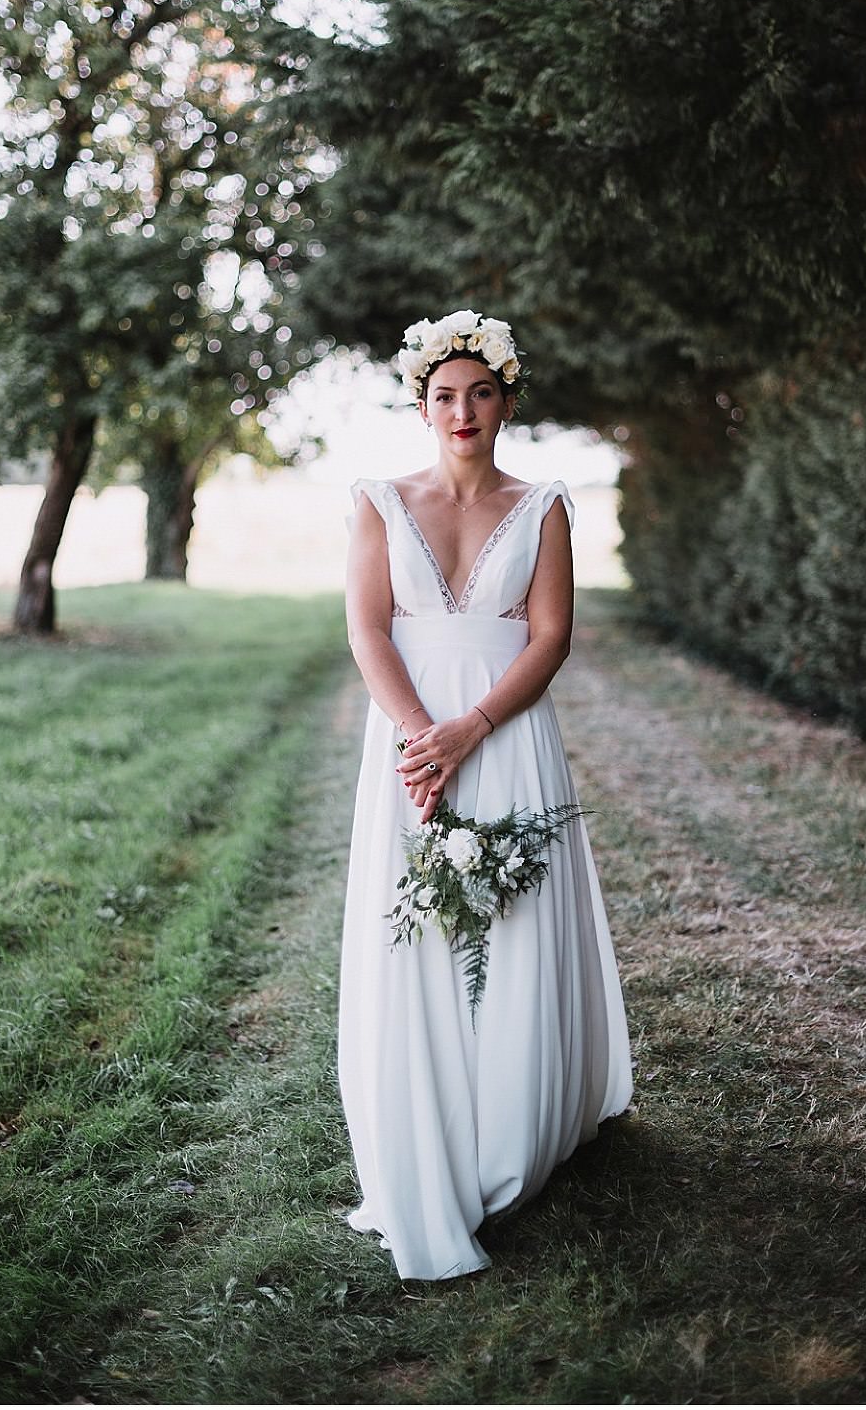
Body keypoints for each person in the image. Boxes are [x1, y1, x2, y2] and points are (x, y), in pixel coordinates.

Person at [339, 309, 633, 1280]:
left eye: (479, 393)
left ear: (506, 399)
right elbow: (371, 630)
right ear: (421, 407)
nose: (461, 410)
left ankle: (514, 1129)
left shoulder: (543, 502)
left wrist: (475, 728)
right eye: (443, 396)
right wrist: (424, 739)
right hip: (413, 739)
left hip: (506, 736)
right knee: (420, 927)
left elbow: (548, 636)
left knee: (513, 923)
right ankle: (428, 1124)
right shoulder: (380, 501)